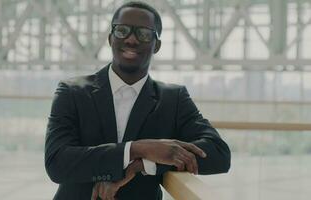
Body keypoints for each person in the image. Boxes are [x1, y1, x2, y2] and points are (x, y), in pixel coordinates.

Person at [45, 1, 231, 199]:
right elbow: (57, 162)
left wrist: (143, 163)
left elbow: (218, 154)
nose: (131, 40)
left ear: (156, 45)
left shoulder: (173, 99)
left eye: (143, 33)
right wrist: (139, 149)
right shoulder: (72, 91)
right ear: (110, 38)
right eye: (122, 30)